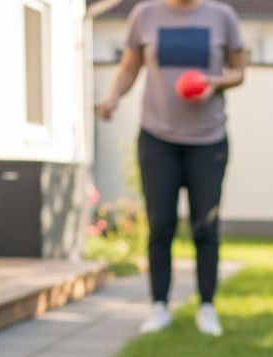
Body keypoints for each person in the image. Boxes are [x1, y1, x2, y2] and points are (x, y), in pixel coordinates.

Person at [96, 0, 245, 336]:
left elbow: (239, 71)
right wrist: (112, 97)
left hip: (208, 141)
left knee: (205, 227)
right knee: (160, 225)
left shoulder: (221, 16)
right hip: (157, 138)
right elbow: (129, 67)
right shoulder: (144, 15)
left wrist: (214, 82)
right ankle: (159, 306)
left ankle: (207, 306)